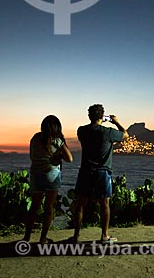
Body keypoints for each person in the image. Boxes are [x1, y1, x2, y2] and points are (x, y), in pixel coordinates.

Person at [71, 104, 128, 243]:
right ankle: (104, 236)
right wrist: (116, 122)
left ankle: (76, 236)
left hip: (85, 171)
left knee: (81, 204)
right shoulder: (108, 132)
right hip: (102, 172)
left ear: (89, 115)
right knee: (104, 204)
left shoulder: (81, 131)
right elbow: (125, 135)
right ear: (102, 116)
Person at [24, 115, 73, 244]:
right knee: (49, 207)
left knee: (34, 207)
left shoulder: (35, 138)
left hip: (36, 175)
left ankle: (27, 237)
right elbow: (70, 158)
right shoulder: (57, 141)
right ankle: (43, 238)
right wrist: (59, 157)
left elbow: (32, 156)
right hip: (52, 176)